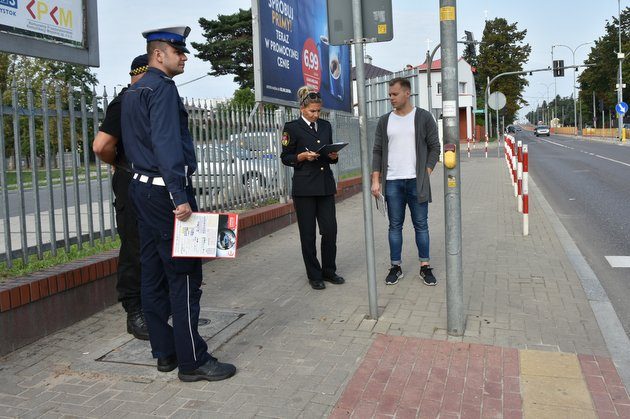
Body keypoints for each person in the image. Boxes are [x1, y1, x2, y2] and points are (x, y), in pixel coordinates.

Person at [120, 26, 236, 382]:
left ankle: (165, 352)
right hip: (166, 194)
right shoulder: (163, 89)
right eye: (178, 51)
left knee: (152, 274)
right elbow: (167, 145)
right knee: (184, 276)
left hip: (140, 188)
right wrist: (179, 197)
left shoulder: (133, 90)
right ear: (159, 54)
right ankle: (193, 361)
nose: (184, 57)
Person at [92, 54, 150, 341]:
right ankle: (134, 310)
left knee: (151, 245)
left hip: (151, 182)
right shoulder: (125, 101)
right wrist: (119, 162)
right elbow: (101, 145)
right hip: (131, 180)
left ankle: (152, 305)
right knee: (134, 246)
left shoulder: (147, 100)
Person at [371, 77, 441, 286]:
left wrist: (426, 172)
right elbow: (377, 151)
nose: (391, 98)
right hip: (392, 182)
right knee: (394, 226)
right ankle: (396, 266)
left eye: (394, 94)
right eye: (389, 94)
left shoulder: (423, 117)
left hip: (416, 181)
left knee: (421, 225)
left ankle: (425, 266)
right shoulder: (385, 121)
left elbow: (434, 147)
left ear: (407, 93)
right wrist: (376, 180)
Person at [281, 87, 344, 290]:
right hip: (305, 188)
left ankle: (329, 271)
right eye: (312, 111)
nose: (316, 115)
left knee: (330, 231)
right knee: (307, 235)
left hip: (325, 185)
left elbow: (329, 154)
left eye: (318, 111)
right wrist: (301, 157)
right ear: (302, 108)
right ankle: (314, 275)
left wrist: (333, 156)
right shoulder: (292, 127)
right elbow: (286, 157)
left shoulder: (325, 126)